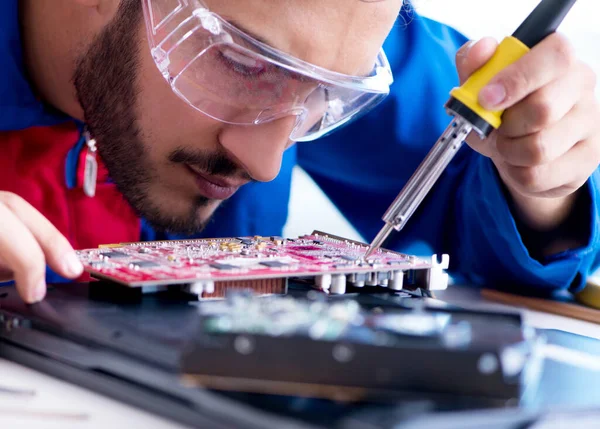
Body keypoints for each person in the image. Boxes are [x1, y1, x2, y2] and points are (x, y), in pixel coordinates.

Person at [1, 0, 599, 304]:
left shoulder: (324, 26)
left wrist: (539, 182)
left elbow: (473, 197)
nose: (266, 165)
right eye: (241, 63)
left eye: (327, 95)